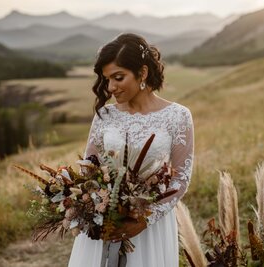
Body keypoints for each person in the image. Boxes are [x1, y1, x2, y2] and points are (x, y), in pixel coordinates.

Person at [68, 33, 194, 267]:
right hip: (106, 222)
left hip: (149, 226)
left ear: (142, 73)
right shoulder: (105, 116)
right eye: (107, 79)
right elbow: (89, 168)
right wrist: (97, 205)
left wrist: (145, 220)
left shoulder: (178, 116)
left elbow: (181, 178)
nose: (111, 87)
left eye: (118, 77)